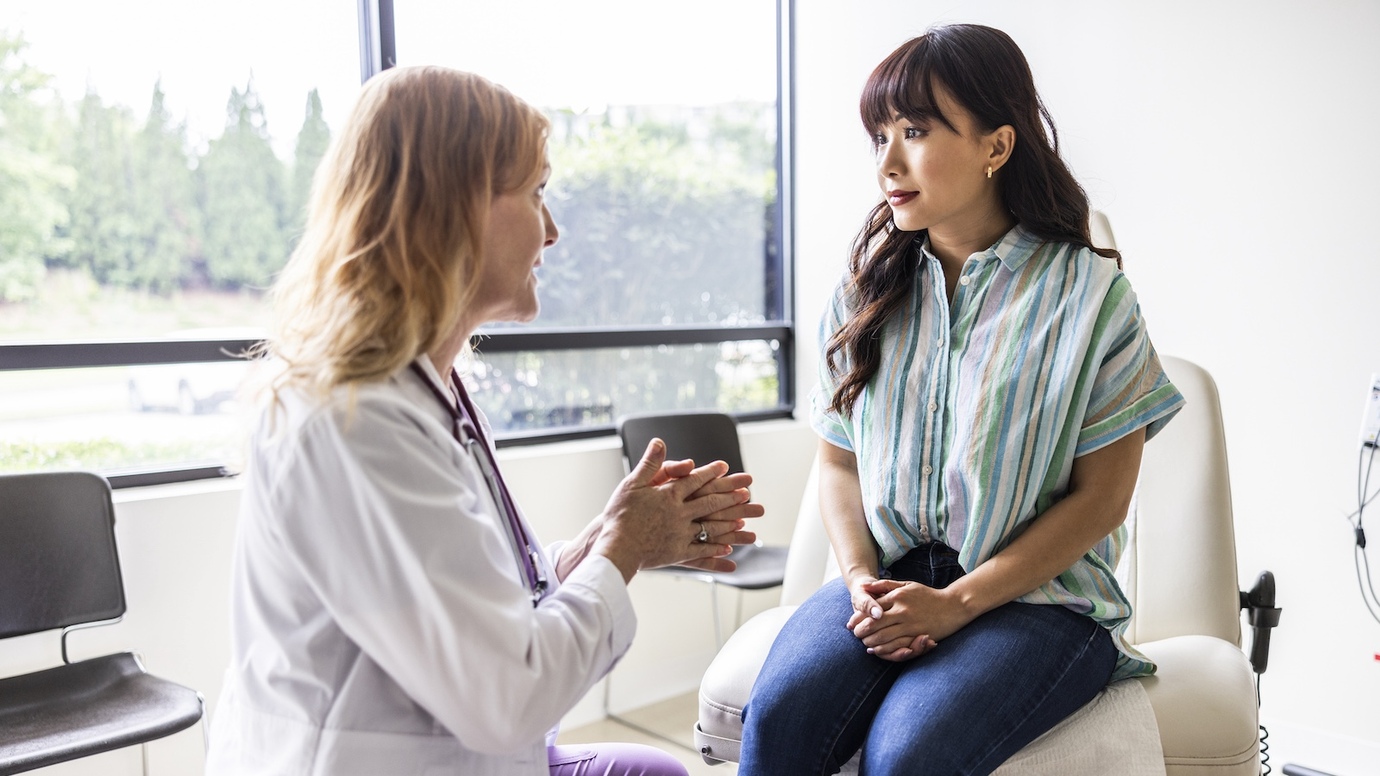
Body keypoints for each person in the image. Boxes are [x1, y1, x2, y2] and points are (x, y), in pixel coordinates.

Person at [204, 65, 764, 776]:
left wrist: (594, 548)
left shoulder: (428, 392)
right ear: (453, 208)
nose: (552, 231)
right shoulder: (353, 422)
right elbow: (507, 697)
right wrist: (622, 550)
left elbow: (475, 597)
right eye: (536, 193)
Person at [738, 24, 1185, 776]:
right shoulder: (862, 295)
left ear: (996, 146)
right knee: (779, 719)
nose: (887, 161)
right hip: (891, 575)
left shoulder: (1092, 298)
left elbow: (1103, 500)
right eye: (880, 136)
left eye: (915, 131)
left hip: (1044, 602)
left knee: (909, 754)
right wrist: (861, 584)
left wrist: (958, 603)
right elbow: (839, 465)